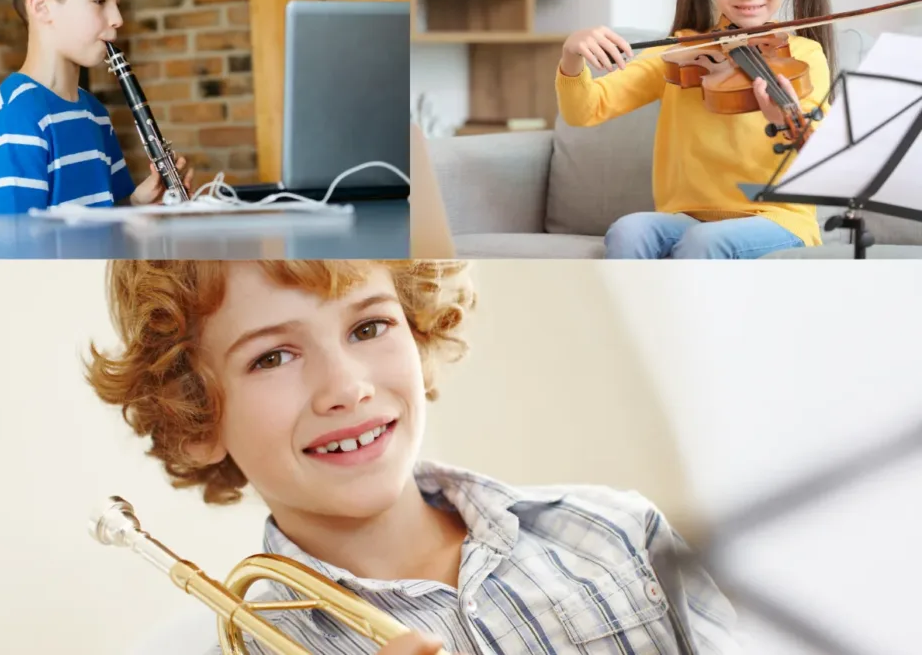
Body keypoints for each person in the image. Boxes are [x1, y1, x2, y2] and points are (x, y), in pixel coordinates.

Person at [85, 260, 741, 654]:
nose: (346, 386)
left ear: (418, 330)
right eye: (272, 357)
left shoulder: (617, 533)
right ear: (198, 415)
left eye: (368, 326)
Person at [557, 0, 834, 259]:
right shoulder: (682, 53)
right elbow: (585, 111)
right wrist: (571, 56)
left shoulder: (803, 56)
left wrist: (783, 120)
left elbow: (825, 162)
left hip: (777, 220)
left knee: (705, 241)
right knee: (629, 230)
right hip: (686, 218)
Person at [0, 0, 193, 215]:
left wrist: (138, 203)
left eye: (117, 2)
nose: (117, 18)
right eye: (100, 1)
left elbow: (106, 214)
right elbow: (14, 248)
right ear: (41, 7)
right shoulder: (16, 116)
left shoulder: (95, 113)